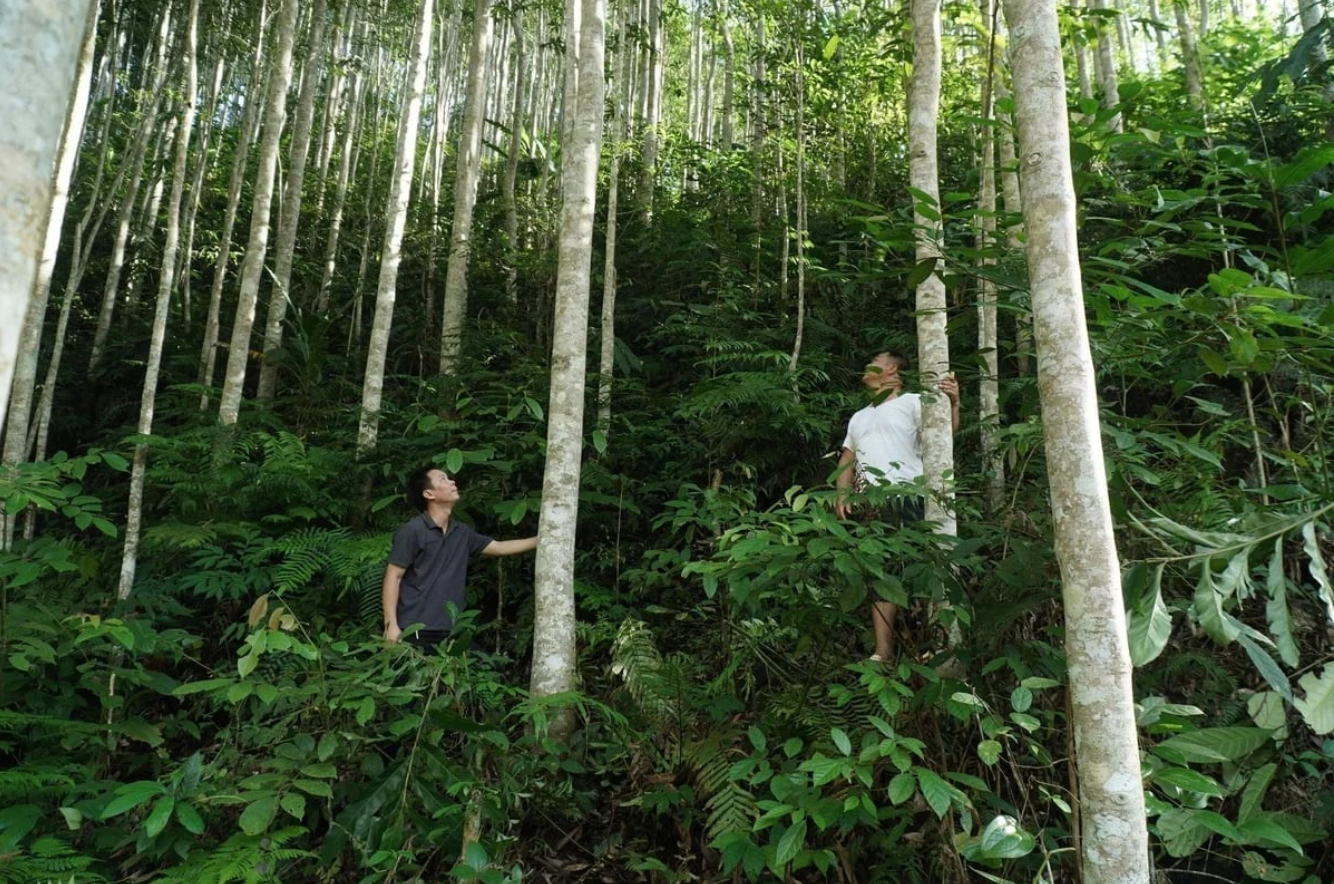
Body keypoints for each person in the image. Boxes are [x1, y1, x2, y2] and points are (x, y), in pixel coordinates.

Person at [833, 351, 959, 663]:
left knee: (915, 567)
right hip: (872, 503)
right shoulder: (860, 416)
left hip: (908, 496)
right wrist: (842, 494)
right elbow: (847, 460)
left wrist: (953, 404)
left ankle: (926, 645)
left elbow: (945, 435)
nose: (866, 364)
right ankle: (883, 651)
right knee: (882, 572)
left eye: (872, 359)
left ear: (890, 369)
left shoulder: (912, 401)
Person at [382, 465, 537, 652]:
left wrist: (543, 539)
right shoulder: (412, 531)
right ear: (429, 494)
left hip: (450, 629)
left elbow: (499, 547)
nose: (452, 482)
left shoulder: (461, 532)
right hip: (415, 629)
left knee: (481, 669)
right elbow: (394, 576)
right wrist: (391, 625)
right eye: (443, 479)